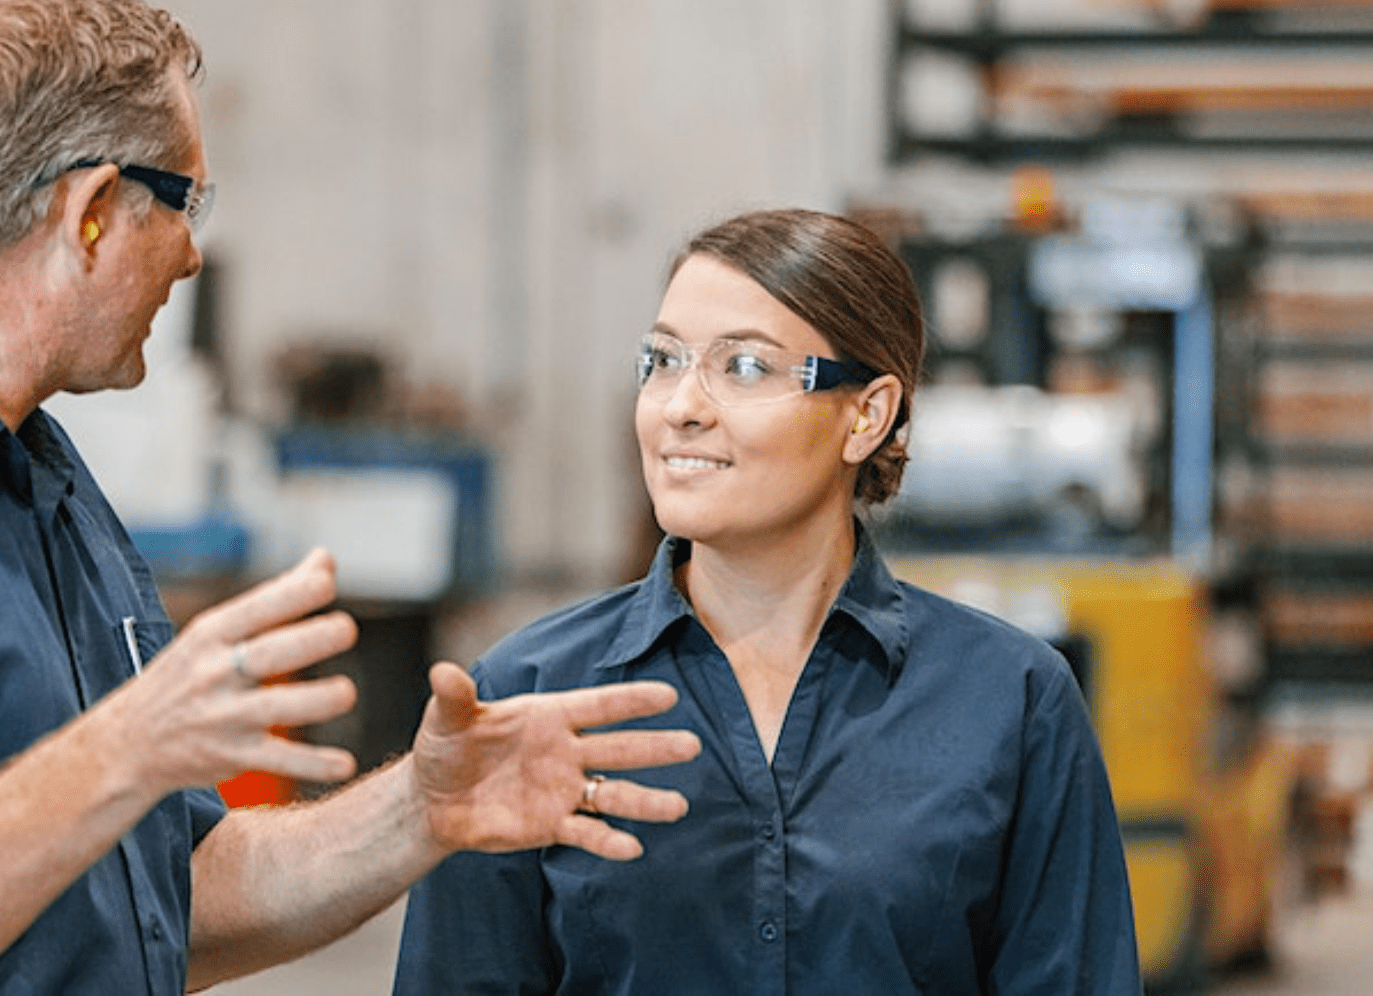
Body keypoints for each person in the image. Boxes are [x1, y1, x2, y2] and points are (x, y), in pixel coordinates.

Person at [0, 0, 702, 994]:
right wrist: (125, 749)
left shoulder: (31, 471)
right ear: (89, 211)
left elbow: (161, 903)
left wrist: (419, 811)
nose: (191, 253)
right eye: (183, 200)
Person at [393, 208, 1141, 995]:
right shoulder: (530, 696)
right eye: (662, 360)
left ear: (867, 415)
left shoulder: (1009, 701)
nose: (681, 406)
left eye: (744, 367)